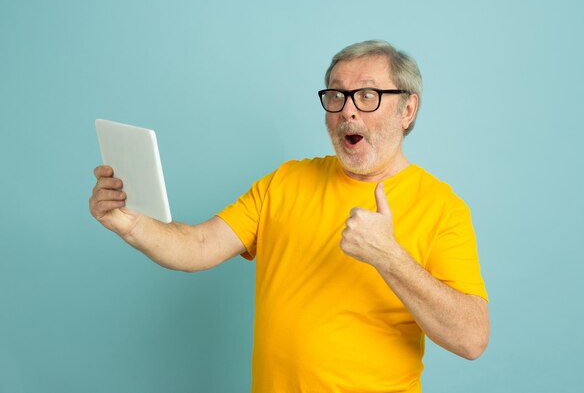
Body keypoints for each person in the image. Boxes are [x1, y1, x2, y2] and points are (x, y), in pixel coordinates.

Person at [89, 40, 489, 393]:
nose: (348, 111)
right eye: (336, 96)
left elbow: (471, 339)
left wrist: (389, 256)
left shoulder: (441, 207)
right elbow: (198, 246)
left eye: (367, 96)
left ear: (407, 109)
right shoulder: (286, 181)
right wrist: (132, 224)